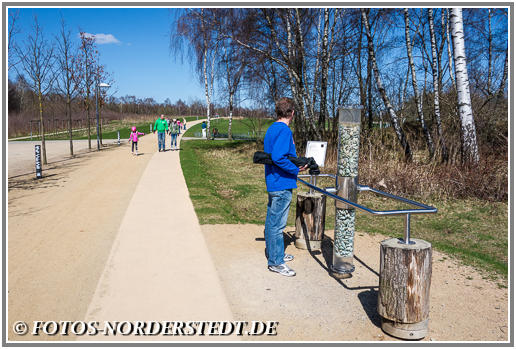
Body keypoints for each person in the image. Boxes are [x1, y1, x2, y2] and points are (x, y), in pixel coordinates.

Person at [263, 97, 307, 277]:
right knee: (277, 224)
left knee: (272, 221)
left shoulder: (272, 129)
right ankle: (276, 262)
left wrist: (295, 163)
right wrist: (296, 169)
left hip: (274, 181)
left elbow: (277, 155)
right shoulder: (284, 131)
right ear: (292, 113)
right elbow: (279, 157)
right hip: (281, 182)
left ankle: (276, 254)